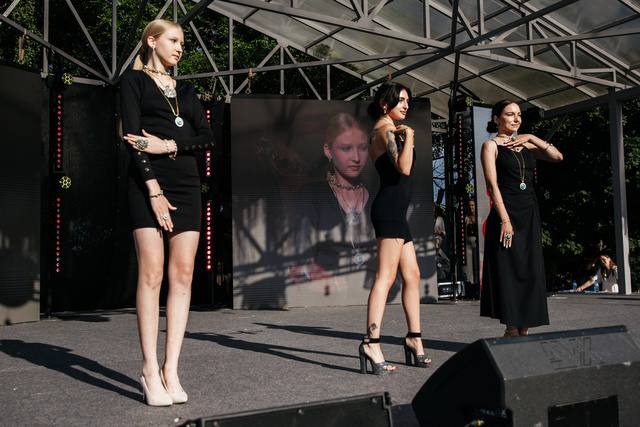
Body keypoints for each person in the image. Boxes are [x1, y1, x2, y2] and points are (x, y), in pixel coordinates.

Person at [120, 19, 214, 406]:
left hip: (187, 184)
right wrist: (154, 189)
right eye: (173, 40)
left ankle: (170, 368)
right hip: (148, 185)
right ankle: (148, 368)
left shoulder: (187, 90)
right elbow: (133, 138)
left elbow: (207, 137)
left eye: (182, 43)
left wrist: (169, 146)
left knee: (183, 273)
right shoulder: (133, 82)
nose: (179, 48)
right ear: (152, 40)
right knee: (152, 272)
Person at [358, 81, 431, 375]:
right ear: (385, 104)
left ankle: (414, 338)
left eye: (408, 101)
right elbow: (404, 168)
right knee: (385, 278)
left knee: (412, 275)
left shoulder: (390, 129)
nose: (406, 105)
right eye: (401, 100)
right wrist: (410, 135)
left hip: (396, 212)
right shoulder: (384, 129)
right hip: (389, 211)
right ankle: (371, 343)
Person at [480, 100, 563, 337]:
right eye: (509, 114)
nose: (516, 119)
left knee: (530, 269)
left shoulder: (525, 144)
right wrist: (505, 220)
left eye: (518, 115)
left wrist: (532, 138)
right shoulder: (490, 145)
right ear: (496, 119)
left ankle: (523, 330)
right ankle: (511, 328)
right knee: (510, 269)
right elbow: (492, 185)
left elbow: (558, 156)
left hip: (529, 212)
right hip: (507, 213)